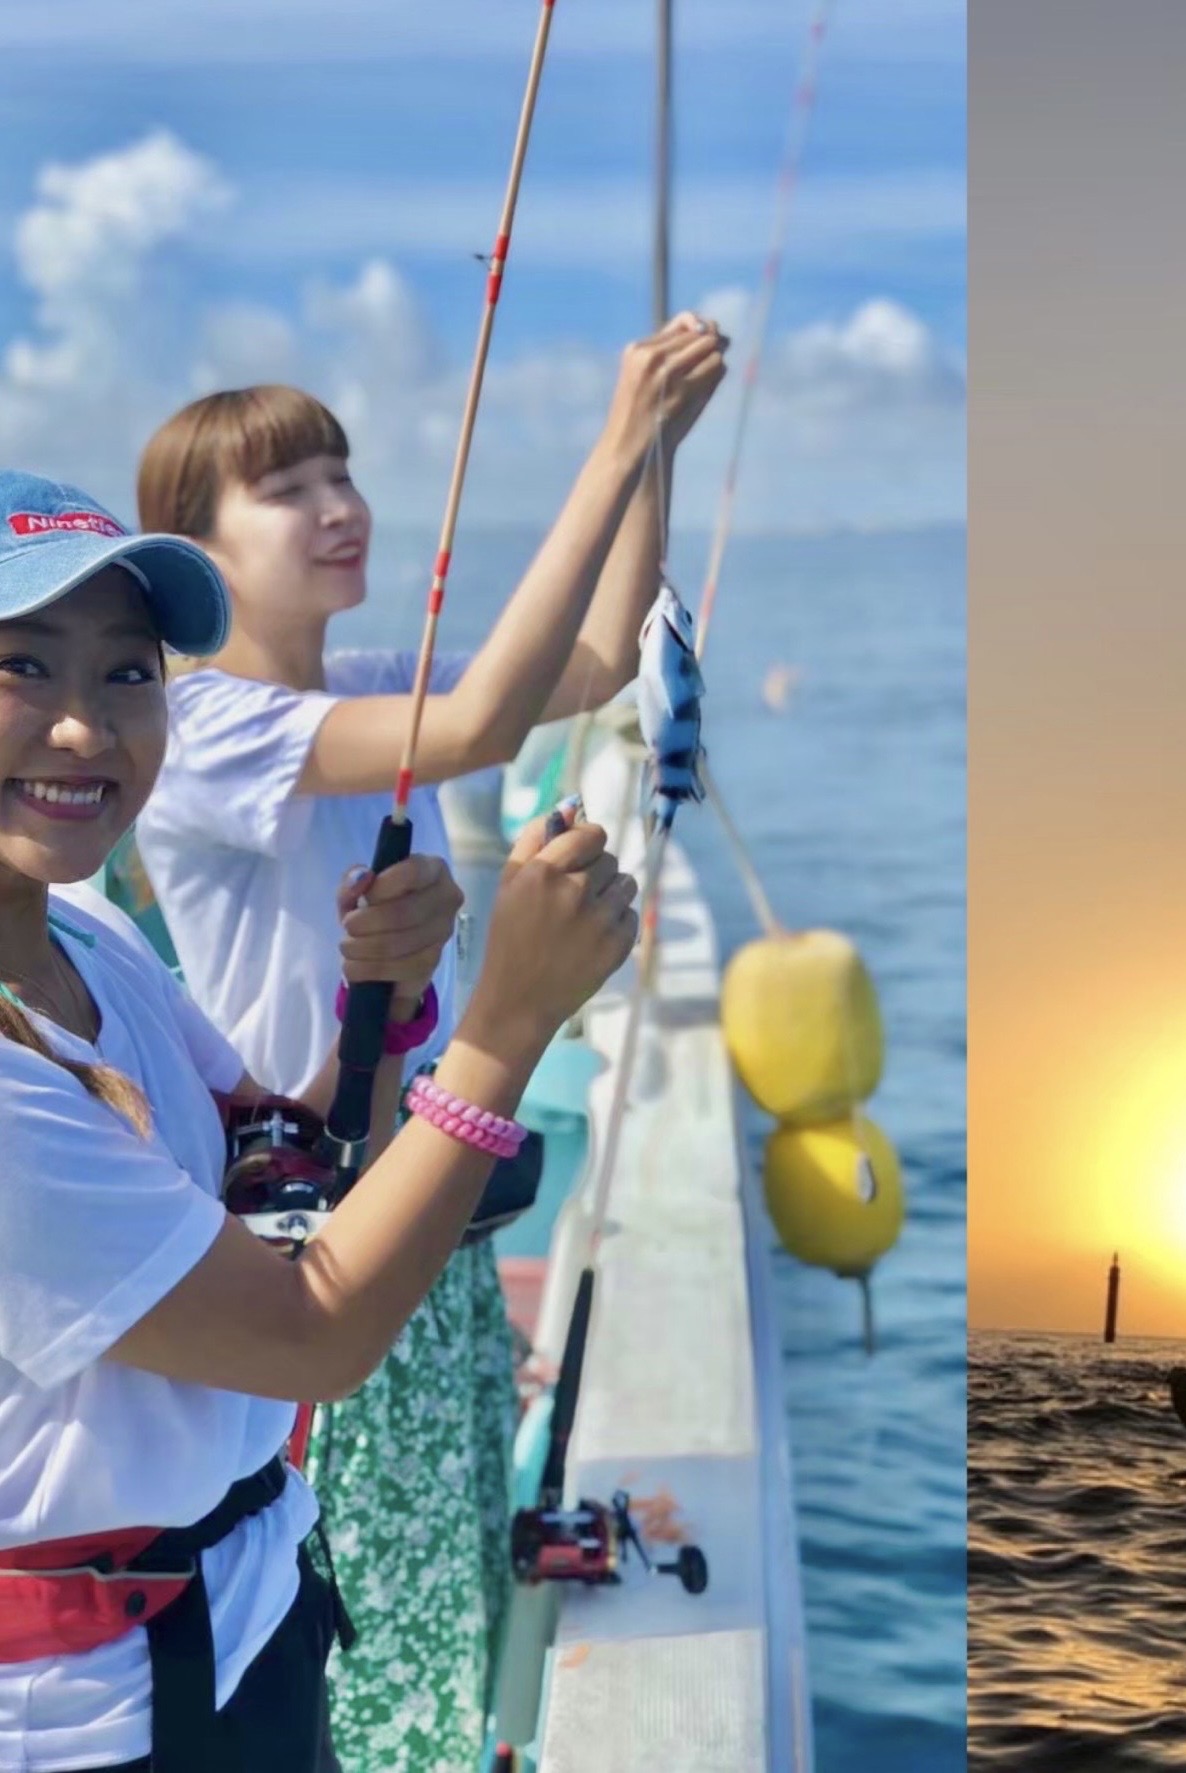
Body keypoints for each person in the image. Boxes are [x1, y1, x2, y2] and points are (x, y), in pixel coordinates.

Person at [128, 316, 726, 1771]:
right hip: (316, 1204)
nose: (340, 506)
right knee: (370, 1563)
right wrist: (607, 433)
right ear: (196, 552)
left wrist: (651, 457)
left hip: (436, 1166)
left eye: (343, 472)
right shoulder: (208, 724)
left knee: (445, 1518)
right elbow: (472, 727)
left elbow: (584, 663)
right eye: (289, 489)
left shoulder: (358, 680)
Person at [0, 468, 639, 1772]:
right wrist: (503, 1031)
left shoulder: (95, 934)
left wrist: (392, 1005)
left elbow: (274, 1152)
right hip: (96, 1720)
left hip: (254, 1616)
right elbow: (311, 1335)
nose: (83, 729)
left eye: (128, 674)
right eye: (23, 667)